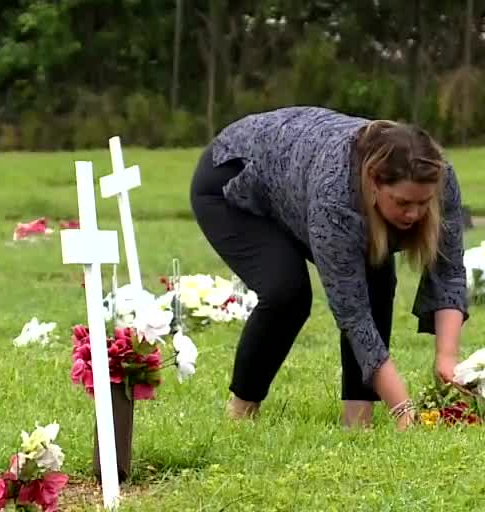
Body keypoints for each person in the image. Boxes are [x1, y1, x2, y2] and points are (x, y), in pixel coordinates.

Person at [189, 106, 469, 430]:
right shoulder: (336, 196)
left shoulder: (438, 176)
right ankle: (240, 413)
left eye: (423, 203)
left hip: (295, 178)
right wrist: (403, 410)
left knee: (375, 274)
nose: (414, 214)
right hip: (233, 180)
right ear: (375, 182)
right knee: (287, 293)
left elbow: (448, 270)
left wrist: (447, 358)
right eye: (403, 203)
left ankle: (357, 423)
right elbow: (353, 314)